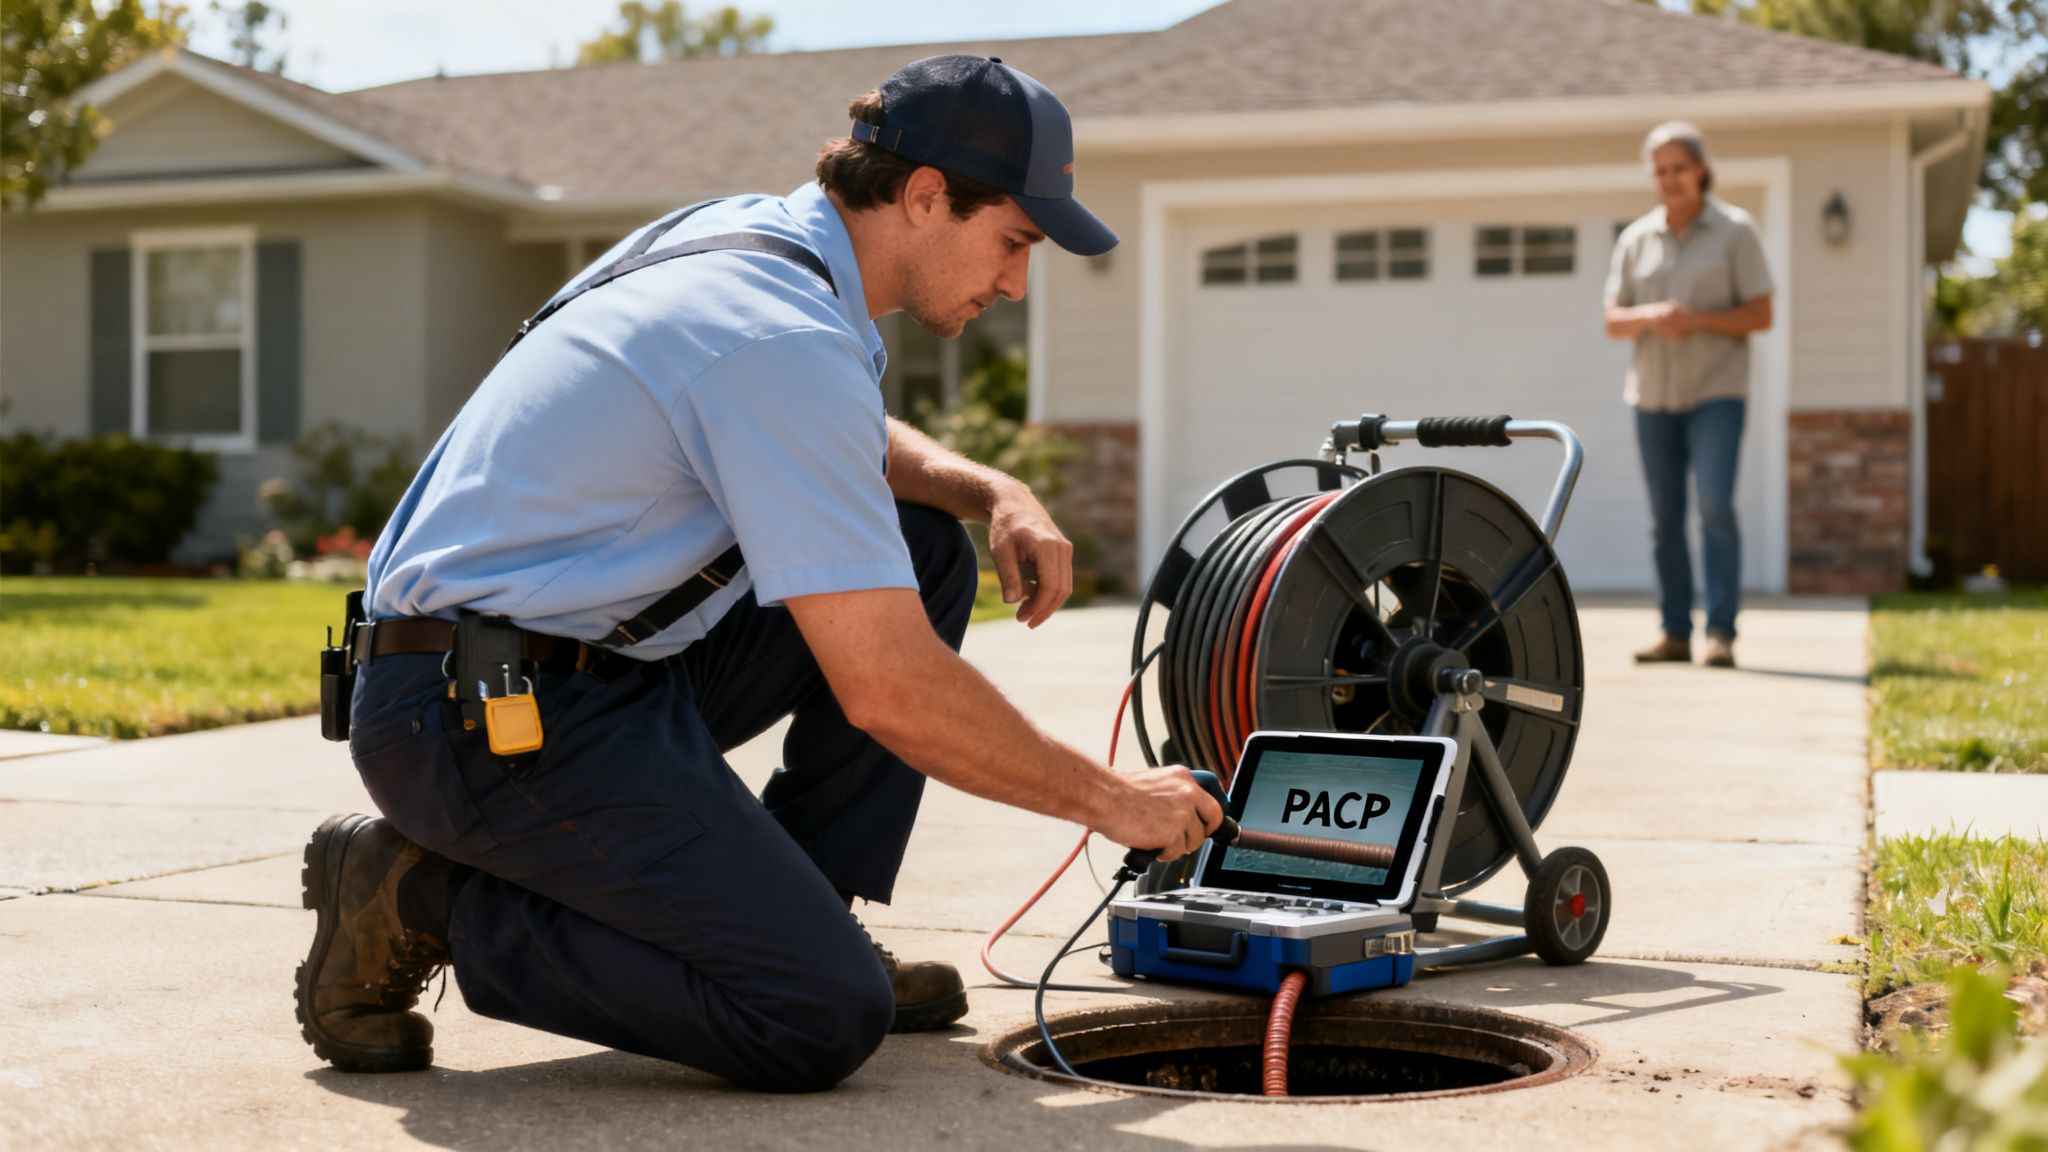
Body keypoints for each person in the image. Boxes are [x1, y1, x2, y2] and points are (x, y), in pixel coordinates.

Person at [295, 54, 1223, 1093]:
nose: (1013, 280)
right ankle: (421, 895)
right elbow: (890, 691)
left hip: (585, 668)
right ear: (925, 197)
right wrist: (1112, 801)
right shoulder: (774, 333)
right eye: (1012, 241)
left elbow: (838, 436)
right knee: (811, 1013)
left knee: (919, 548)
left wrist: (990, 488)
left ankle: (803, 909)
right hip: (473, 717)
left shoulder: (752, 248)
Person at [1604, 121, 1775, 669]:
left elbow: (1761, 312)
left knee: (1715, 507)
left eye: (1679, 167)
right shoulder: (1636, 239)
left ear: (1701, 169)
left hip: (1716, 394)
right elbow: (1612, 320)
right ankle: (1674, 632)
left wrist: (1696, 319)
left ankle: (1720, 632)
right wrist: (1652, 316)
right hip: (1652, 396)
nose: (1669, 179)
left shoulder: (1736, 231)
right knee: (1664, 519)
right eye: (1660, 170)